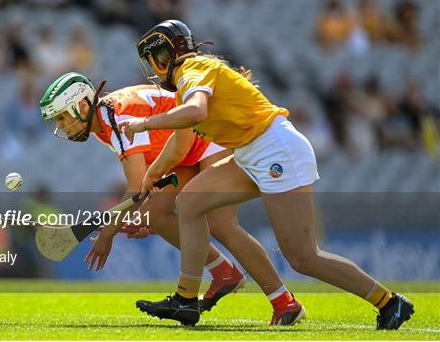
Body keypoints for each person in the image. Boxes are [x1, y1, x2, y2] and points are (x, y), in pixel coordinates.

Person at [119, 20, 414, 329]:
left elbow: (196, 113)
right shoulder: (188, 80)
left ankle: (389, 302)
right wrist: (152, 175)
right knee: (190, 202)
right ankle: (186, 300)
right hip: (252, 152)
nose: (155, 67)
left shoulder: (192, 69)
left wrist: (145, 124)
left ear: (168, 55)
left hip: (276, 151)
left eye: (156, 58)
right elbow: (180, 144)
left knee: (303, 257)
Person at [39, 72, 305, 325]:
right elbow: (149, 173)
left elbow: (135, 186)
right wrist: (143, 214)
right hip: (182, 151)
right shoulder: (103, 122)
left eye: (62, 118)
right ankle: (224, 273)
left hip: (208, 137)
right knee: (157, 214)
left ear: (82, 107)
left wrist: (109, 234)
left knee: (221, 224)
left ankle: (285, 302)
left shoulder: (116, 117)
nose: (61, 127)